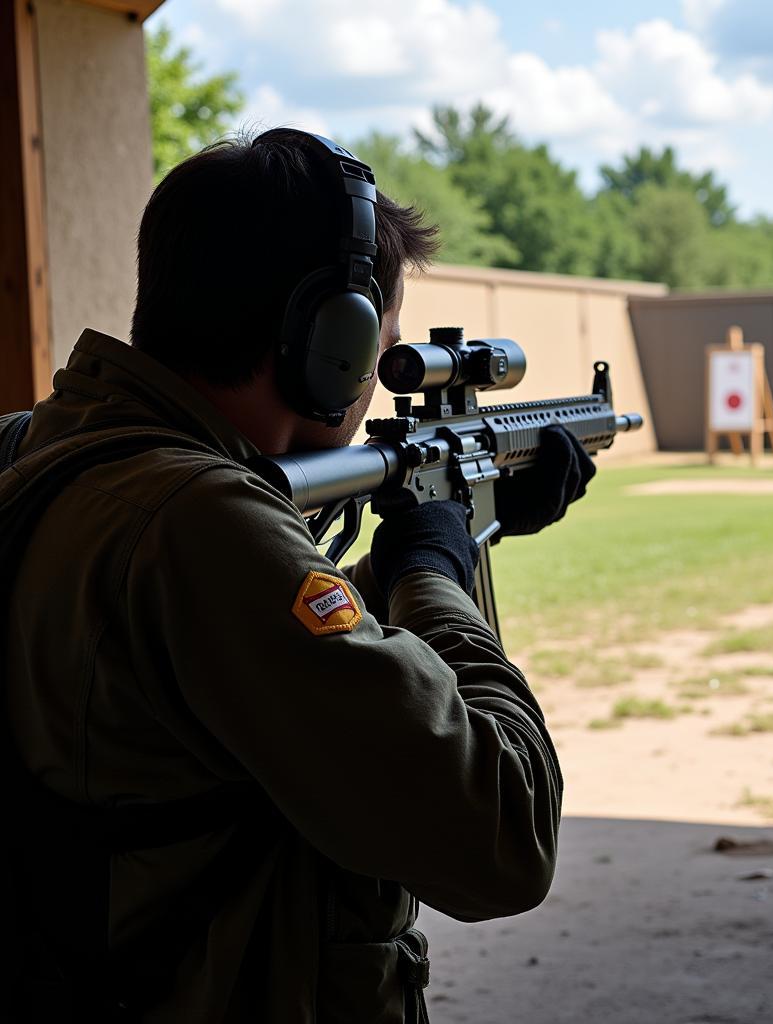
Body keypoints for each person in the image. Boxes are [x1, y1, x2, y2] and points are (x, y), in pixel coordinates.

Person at [0, 128, 592, 1022]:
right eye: (380, 347)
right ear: (331, 340)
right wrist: (436, 572)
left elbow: (224, 672)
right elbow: (501, 836)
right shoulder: (197, 524)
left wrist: (443, 542)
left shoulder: (42, 451)